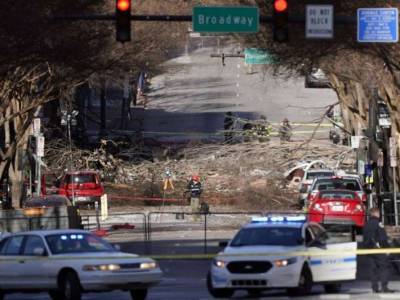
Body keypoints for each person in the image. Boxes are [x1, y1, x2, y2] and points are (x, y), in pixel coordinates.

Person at [363, 207, 394, 293]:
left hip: (368, 249)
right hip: (377, 248)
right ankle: (384, 287)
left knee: (373, 269)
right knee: (385, 266)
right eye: (379, 213)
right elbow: (382, 238)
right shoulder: (378, 223)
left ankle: (374, 288)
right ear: (376, 213)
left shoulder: (366, 224)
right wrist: (387, 248)